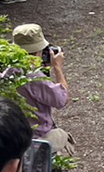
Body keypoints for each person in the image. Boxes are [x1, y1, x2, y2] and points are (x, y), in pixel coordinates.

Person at [7, 24, 73, 155]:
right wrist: (57, 68)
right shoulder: (33, 77)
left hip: (11, 134)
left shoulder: (4, 71)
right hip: (34, 138)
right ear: (39, 51)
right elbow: (61, 100)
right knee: (64, 138)